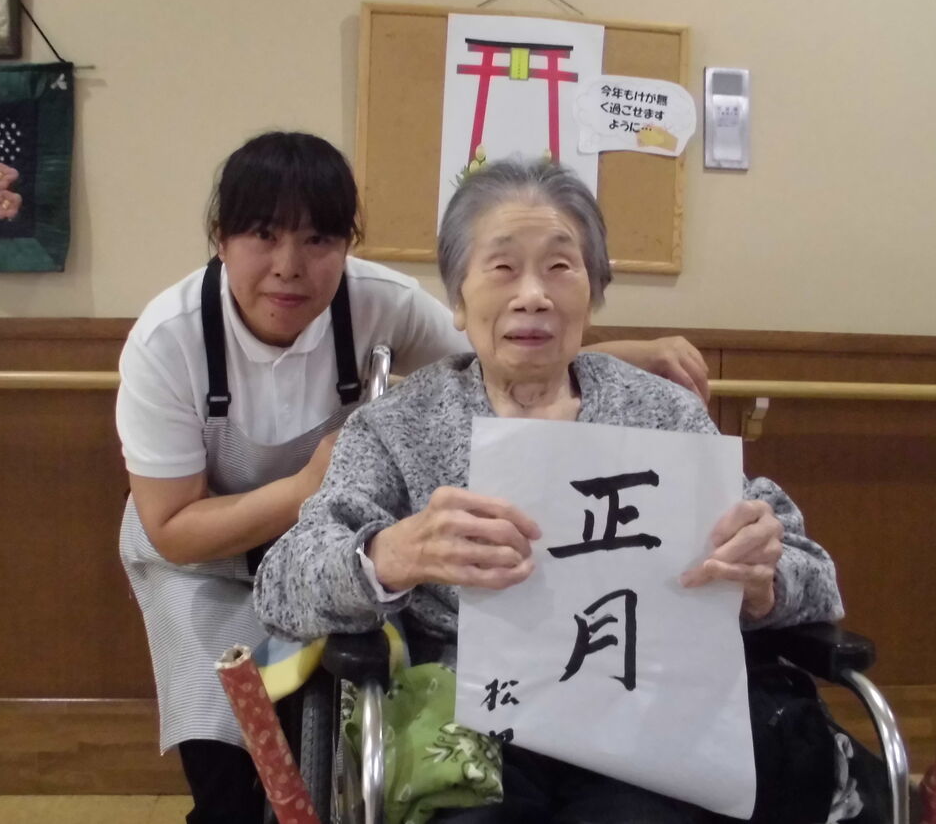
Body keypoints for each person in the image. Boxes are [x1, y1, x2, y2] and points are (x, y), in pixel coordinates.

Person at [116, 133, 712, 824]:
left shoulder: (381, 302)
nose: (289, 266)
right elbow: (173, 527)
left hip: (342, 545)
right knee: (226, 771)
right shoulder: (169, 340)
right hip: (203, 553)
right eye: (263, 235)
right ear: (221, 239)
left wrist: (631, 357)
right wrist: (330, 504)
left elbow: (502, 343)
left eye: (318, 240)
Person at [253, 159, 850, 823]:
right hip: (473, 722)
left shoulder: (661, 414)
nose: (533, 295)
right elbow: (281, 587)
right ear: (458, 299)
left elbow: (815, 575)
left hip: (644, 722)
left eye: (561, 266)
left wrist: (764, 581)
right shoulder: (398, 425)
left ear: (592, 292)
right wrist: (390, 555)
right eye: (503, 267)